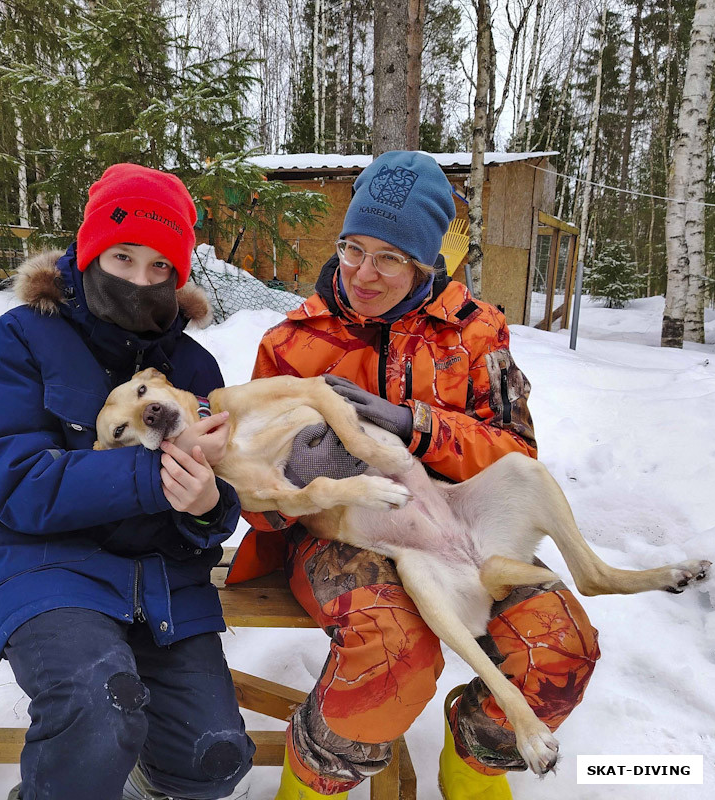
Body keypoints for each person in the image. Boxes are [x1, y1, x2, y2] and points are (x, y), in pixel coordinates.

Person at [226, 151, 601, 800]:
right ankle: (310, 786)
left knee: (560, 644)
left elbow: (516, 452)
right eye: (353, 249)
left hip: (461, 524)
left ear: (426, 262)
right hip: (338, 532)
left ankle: (475, 762)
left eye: (390, 257)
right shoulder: (291, 342)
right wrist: (293, 482)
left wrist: (416, 426)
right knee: (392, 646)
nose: (363, 273)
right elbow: (249, 495)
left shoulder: (473, 335)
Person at [0, 163, 255, 800]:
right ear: (91, 251)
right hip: (42, 561)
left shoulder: (193, 363)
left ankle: (137, 783)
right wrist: (151, 473)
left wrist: (207, 507)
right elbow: (17, 483)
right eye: (122, 258)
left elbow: (219, 497)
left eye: (159, 269)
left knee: (215, 757)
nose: (140, 283)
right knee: (94, 710)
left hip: (161, 577)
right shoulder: (23, 337)